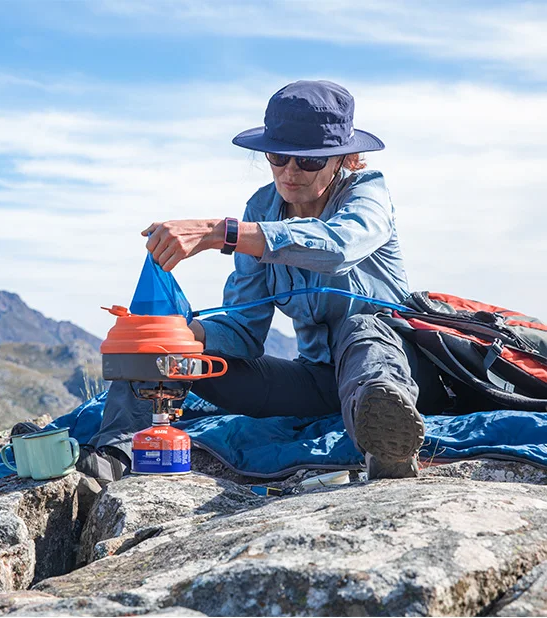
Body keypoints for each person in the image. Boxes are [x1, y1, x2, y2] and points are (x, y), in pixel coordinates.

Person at [77, 80, 450, 483]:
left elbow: (339, 248)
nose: (290, 171)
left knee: (362, 328)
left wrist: (223, 233)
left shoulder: (367, 193)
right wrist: (181, 334)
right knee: (169, 347)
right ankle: (116, 451)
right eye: (279, 156)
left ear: (344, 159)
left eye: (308, 161)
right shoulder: (261, 207)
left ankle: (386, 443)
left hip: (393, 367)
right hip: (318, 381)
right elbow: (245, 328)